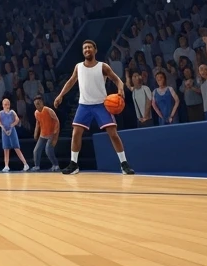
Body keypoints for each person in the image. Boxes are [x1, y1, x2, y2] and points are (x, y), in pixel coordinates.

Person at [54, 39, 134, 175]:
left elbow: (117, 80)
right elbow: (71, 81)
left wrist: (120, 89)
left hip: (101, 104)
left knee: (113, 134)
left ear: (95, 50)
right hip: (84, 105)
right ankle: (74, 164)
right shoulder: (78, 67)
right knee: (76, 133)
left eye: (89, 47)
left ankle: (124, 164)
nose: (87, 50)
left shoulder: (103, 66)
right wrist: (60, 95)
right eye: (84, 48)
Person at [0, 97, 30, 171]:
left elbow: (17, 119)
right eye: (5, 104)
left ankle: (25, 164)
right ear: (3, 105)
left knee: (16, 147)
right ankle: (6, 165)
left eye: (8, 104)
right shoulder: (1, 113)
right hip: (4, 132)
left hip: (12, 131)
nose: (7, 106)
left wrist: (12, 125)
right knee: (6, 149)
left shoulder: (12, 112)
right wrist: (3, 127)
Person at [32, 95, 59, 170]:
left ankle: (56, 165)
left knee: (48, 150)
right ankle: (37, 166)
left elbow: (56, 121)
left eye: (38, 103)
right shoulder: (36, 113)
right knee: (36, 150)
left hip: (51, 134)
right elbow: (38, 123)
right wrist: (35, 133)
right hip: (43, 134)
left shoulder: (48, 110)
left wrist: (55, 134)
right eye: (35, 104)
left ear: (41, 102)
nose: (37, 106)